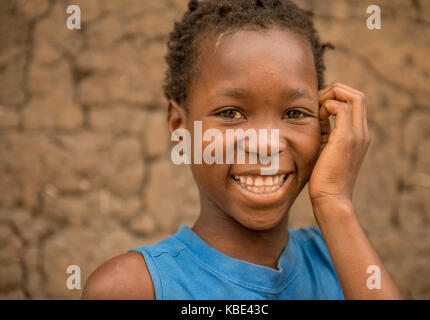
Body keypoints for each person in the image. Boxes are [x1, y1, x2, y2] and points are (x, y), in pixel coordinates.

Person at [82, 0, 402, 300]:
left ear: (323, 127)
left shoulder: (342, 260)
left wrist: (334, 203)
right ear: (180, 125)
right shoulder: (133, 287)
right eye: (231, 113)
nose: (266, 144)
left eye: (294, 113)